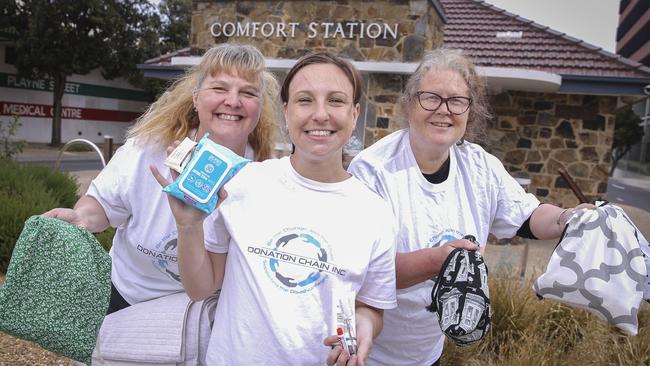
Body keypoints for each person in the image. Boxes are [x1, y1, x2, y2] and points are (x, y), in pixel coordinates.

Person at [347, 48, 593, 366]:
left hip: (427, 352)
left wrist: (568, 218)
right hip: (370, 351)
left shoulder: (479, 167)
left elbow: (529, 217)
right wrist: (439, 261)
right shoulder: (373, 170)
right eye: (431, 97)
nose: (444, 110)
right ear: (409, 104)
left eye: (457, 101)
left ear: (469, 112)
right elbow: (365, 271)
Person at [152, 51, 397, 365]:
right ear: (286, 111)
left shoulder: (375, 214)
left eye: (335, 101)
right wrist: (189, 227)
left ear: (354, 114)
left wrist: (364, 327)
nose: (320, 114)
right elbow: (202, 288)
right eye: (305, 100)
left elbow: (371, 306)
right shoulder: (243, 183)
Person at [43, 43, 281, 314]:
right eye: (219, 88)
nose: (233, 101)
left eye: (248, 93)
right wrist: (82, 218)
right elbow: (104, 204)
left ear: (260, 107)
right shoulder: (150, 149)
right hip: (123, 299)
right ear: (196, 98)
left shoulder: (263, 176)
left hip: (199, 319)